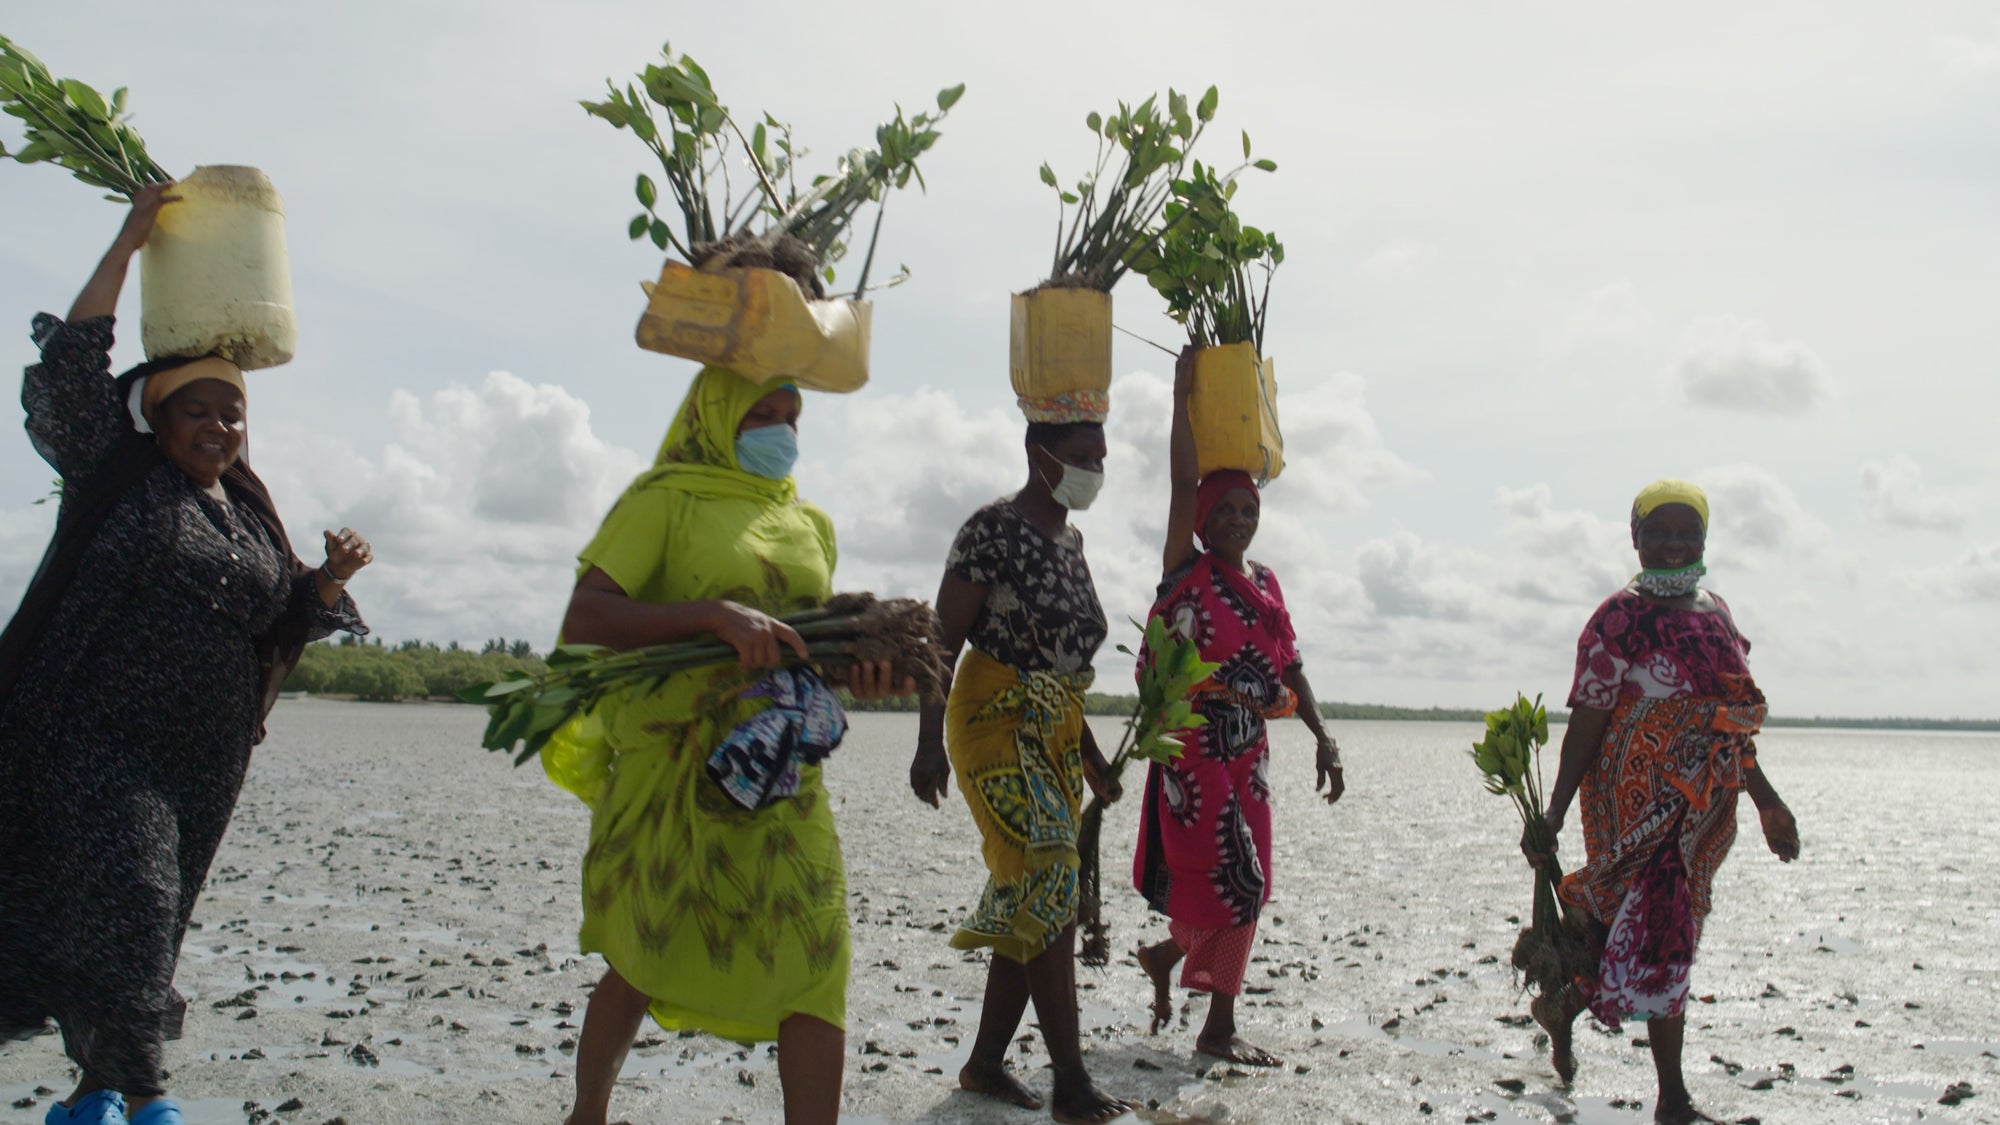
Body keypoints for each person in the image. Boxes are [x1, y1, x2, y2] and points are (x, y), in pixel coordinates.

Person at [0, 184, 371, 1125]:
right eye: (196, 411)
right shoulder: (116, 478)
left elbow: (281, 616)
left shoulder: (246, 515)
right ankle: (149, 1102)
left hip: (199, 767)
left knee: (142, 933)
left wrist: (324, 583)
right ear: (158, 420)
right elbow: (76, 365)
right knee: (133, 901)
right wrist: (130, 239)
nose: (218, 426)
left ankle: (95, 1096)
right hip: (96, 744)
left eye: (232, 413)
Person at [544, 366, 908, 1125]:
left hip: (778, 767)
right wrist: (712, 614)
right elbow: (587, 616)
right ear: (714, 419)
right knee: (642, 954)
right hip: (673, 769)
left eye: (791, 417)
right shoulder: (664, 499)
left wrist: (858, 675)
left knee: (819, 956)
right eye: (759, 416)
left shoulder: (809, 522)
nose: (780, 431)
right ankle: (587, 1115)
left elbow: (799, 651)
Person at [1525, 479, 1801, 1125]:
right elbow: (1589, 720)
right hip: (1634, 792)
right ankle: (1672, 1099)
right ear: (1635, 536)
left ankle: (1563, 1003)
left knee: (1656, 930)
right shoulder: (1618, 615)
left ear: (1704, 538)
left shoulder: (1718, 610)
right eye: (1660, 530)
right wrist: (1556, 810)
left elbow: (1732, 719)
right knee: (1662, 930)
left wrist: (1767, 801)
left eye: (1688, 532)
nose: (1674, 542)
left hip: (1706, 800)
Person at [908, 411, 1134, 1124]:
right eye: (1078, 454)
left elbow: (1064, 667)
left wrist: (1094, 757)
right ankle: (1070, 1080)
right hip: (991, 718)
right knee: (1049, 872)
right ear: (1038, 453)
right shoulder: (990, 529)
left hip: (1056, 731)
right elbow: (939, 641)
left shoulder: (1073, 541)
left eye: (1100, 454)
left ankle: (985, 1061)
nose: (1092, 467)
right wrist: (926, 742)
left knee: (1033, 884)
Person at [1131, 349, 1343, 1065]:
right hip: (1191, 752)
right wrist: (1182, 392)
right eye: (1223, 509)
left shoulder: (1267, 580)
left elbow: (1291, 663)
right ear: (1200, 516)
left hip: (1249, 753)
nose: (1237, 521)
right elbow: (1180, 476)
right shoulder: (1184, 569)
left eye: (1248, 510)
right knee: (1233, 883)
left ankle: (1167, 956)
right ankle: (1218, 1025)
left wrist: (1324, 735)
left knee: (1245, 883)